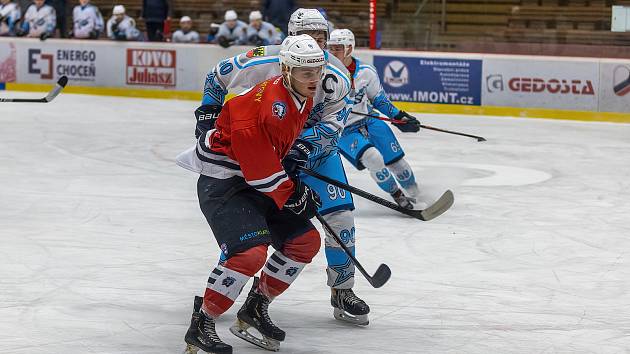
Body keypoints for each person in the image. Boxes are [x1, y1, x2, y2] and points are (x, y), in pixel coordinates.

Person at [194, 8, 374, 327]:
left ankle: (342, 290)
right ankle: (224, 290)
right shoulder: (264, 59)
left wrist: (304, 147)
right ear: (290, 37)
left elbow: (334, 121)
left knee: (341, 216)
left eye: (321, 38)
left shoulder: (335, 76)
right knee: (251, 221)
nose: (316, 44)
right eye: (307, 37)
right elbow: (216, 75)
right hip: (264, 154)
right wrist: (208, 110)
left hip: (312, 154)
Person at [177, 34, 326, 354]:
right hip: (225, 183)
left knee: (305, 241)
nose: (314, 79)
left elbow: (270, 156)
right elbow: (259, 170)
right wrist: (292, 193)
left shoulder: (303, 94)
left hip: (255, 178)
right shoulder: (265, 107)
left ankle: (254, 307)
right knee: (250, 254)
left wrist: (290, 167)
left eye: (318, 70)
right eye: (306, 72)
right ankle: (202, 324)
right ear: (286, 70)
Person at [328, 29, 423, 209]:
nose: (332, 52)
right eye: (330, 48)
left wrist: (399, 116)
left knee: (398, 163)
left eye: (337, 48)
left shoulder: (366, 72)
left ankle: (415, 193)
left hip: (370, 121)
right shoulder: (324, 72)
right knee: (373, 159)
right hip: (342, 130)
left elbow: (378, 99)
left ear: (349, 48)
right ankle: (399, 196)